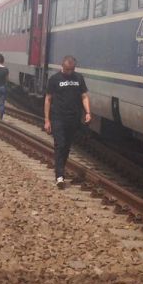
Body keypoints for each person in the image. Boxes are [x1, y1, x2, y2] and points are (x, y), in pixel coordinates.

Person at [43, 55, 91, 188]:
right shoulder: (54, 79)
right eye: (67, 69)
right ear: (62, 66)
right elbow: (48, 99)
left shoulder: (79, 78)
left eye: (72, 69)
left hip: (73, 119)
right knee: (60, 145)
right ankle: (59, 175)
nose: (70, 72)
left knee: (67, 147)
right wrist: (47, 120)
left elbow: (84, 96)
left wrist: (88, 112)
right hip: (58, 118)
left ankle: (60, 170)